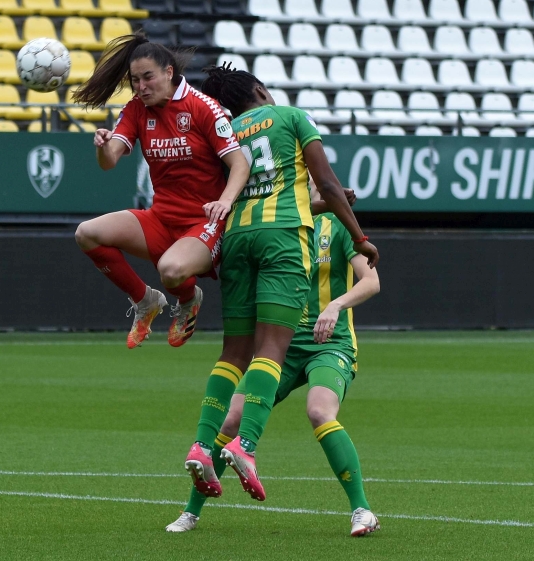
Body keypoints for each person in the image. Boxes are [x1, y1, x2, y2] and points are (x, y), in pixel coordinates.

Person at [183, 63, 379, 504]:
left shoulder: (225, 131)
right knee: (271, 349)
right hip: (281, 238)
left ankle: (202, 444)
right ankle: (245, 448)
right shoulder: (291, 116)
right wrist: (361, 236)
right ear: (260, 88)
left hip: (235, 239)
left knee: (234, 352)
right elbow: (327, 182)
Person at [168, 189, 381, 536]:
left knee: (319, 411)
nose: (307, 185)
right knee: (231, 419)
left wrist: (335, 305)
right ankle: (190, 512)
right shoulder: (280, 227)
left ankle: (362, 510)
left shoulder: (337, 226)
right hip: (282, 346)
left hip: (330, 343)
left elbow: (371, 281)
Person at [72, 34, 250, 349]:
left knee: (171, 270)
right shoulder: (136, 110)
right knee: (86, 233)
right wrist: (101, 145)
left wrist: (224, 203)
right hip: (162, 218)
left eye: (148, 77)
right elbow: (109, 161)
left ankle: (187, 298)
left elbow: (240, 164)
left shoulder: (203, 107)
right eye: (135, 80)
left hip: (204, 222)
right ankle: (145, 301)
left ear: (169, 72)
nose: (141, 86)